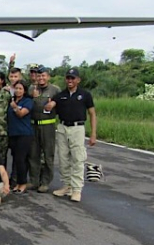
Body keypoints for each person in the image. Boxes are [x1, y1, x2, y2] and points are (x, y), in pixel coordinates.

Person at [44, 68, 97, 202]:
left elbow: (92, 114)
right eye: (68, 78)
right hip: (62, 127)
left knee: (77, 159)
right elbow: (51, 105)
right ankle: (67, 185)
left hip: (77, 128)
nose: (70, 81)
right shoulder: (61, 95)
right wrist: (49, 105)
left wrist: (93, 134)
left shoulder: (85, 95)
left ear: (78, 80)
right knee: (63, 159)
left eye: (73, 78)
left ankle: (76, 189)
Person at [29, 66, 60, 193]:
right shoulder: (32, 89)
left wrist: (54, 104)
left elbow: (61, 103)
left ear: (48, 77)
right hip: (33, 124)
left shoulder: (55, 90)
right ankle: (34, 180)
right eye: (39, 76)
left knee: (48, 154)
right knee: (33, 154)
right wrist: (33, 97)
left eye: (43, 75)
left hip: (48, 126)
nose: (41, 78)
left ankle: (45, 181)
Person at [8, 80, 34, 194]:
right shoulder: (11, 100)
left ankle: (23, 183)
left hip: (24, 134)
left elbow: (21, 114)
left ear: (24, 90)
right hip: (13, 133)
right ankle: (17, 183)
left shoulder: (28, 101)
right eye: (16, 88)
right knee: (15, 159)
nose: (18, 91)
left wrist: (15, 107)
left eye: (20, 89)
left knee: (21, 159)